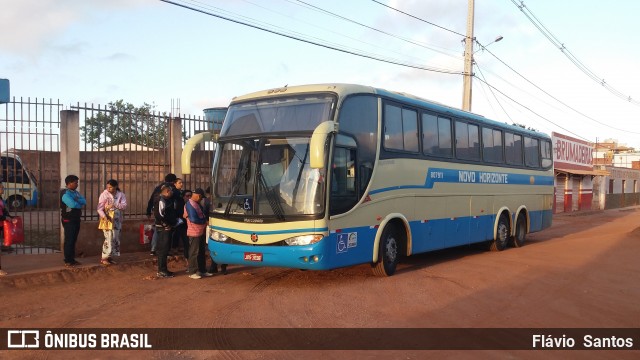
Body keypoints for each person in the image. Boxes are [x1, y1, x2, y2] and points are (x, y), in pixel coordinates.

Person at [97, 179, 127, 266]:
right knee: (108, 238)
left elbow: (124, 206)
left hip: (117, 219)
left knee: (115, 238)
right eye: (107, 187)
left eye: (110, 187)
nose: (108, 189)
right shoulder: (104, 195)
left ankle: (110, 257)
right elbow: (99, 208)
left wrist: (115, 205)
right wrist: (104, 216)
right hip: (107, 218)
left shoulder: (121, 195)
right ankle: (104, 258)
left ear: (115, 187)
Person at [154, 183, 181, 278]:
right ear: (167, 191)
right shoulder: (160, 200)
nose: (172, 193)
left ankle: (164, 270)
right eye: (171, 191)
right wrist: (166, 225)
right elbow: (159, 215)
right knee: (163, 250)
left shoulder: (167, 200)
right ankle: (162, 271)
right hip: (163, 228)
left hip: (167, 227)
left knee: (165, 249)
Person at [184, 188, 212, 279]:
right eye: (201, 198)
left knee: (201, 252)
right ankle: (192, 271)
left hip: (200, 231)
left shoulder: (196, 204)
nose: (201, 199)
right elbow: (193, 219)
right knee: (193, 252)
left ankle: (202, 270)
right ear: (198, 196)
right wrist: (204, 221)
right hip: (194, 232)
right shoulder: (190, 204)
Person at [146, 173, 177, 256]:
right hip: (166, 215)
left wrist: (148, 211)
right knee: (167, 233)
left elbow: (151, 199)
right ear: (173, 181)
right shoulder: (171, 188)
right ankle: (166, 250)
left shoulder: (158, 187)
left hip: (157, 213)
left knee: (157, 230)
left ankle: (153, 249)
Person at [61, 175, 87, 267]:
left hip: (76, 219)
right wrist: (78, 203)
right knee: (69, 240)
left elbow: (84, 201)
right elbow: (72, 205)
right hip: (68, 220)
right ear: (69, 183)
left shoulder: (76, 193)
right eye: (75, 182)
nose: (77, 184)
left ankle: (72, 259)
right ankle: (68, 260)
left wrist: (78, 201)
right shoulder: (65, 194)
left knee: (73, 240)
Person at [171, 178, 188, 258]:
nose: (181, 184)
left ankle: (177, 247)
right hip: (178, 216)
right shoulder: (175, 192)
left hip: (181, 215)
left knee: (179, 233)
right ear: (175, 183)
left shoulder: (180, 192)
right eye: (179, 183)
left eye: (182, 183)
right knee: (178, 233)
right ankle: (175, 248)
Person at [0, 183, 14, 276]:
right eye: (1, 187)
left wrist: (10, 217)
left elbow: (4, 210)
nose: (3, 189)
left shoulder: (0, 198)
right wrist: (5, 218)